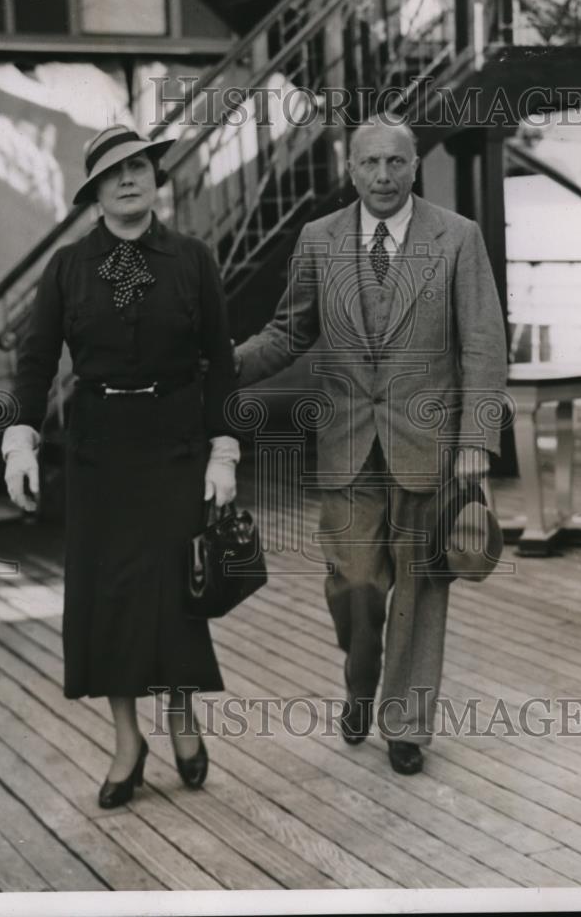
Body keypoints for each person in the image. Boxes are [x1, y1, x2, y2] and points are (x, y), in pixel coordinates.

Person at [235, 118, 507, 774]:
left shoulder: (458, 237)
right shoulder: (317, 239)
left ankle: (405, 724)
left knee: (421, 588)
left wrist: (474, 441)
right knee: (354, 585)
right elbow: (286, 332)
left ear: (414, 166)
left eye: (394, 162)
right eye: (369, 164)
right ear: (349, 169)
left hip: (432, 446)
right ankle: (361, 681)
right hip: (346, 447)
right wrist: (218, 367)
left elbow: (483, 343)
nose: (382, 176)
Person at [1, 125, 240, 806]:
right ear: (95, 192)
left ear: (154, 178)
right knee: (107, 598)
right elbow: (35, 362)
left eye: (138, 167)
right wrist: (20, 441)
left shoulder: (193, 260)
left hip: (174, 443)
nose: (128, 179)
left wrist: (223, 450)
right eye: (113, 173)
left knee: (173, 588)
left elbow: (219, 365)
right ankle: (126, 738)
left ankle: (181, 715)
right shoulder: (69, 268)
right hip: (98, 450)